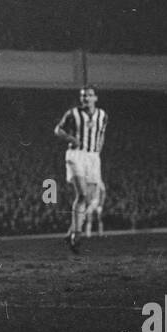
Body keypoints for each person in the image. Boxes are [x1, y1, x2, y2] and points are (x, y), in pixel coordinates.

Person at [54, 86, 108, 254]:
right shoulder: (73, 113)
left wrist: (98, 149)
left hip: (93, 156)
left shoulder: (102, 115)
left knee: (90, 197)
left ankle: (71, 230)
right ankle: (76, 235)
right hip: (76, 154)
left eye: (89, 95)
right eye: (83, 96)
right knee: (83, 195)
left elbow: (102, 133)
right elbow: (57, 129)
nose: (86, 98)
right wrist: (70, 138)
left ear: (95, 98)